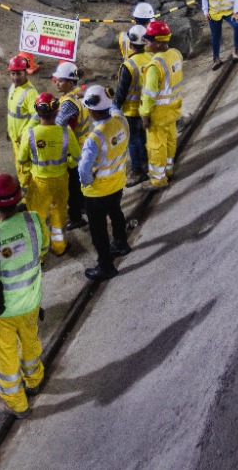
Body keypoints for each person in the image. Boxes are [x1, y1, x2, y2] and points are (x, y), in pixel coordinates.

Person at [0, 173, 48, 419]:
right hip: (31, 302)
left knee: (5, 356)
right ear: (19, 198)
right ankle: (34, 380)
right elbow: (43, 249)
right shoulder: (34, 222)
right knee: (30, 341)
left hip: (1, 312)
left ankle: (16, 403)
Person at [77, 85, 131, 281]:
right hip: (117, 183)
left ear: (91, 111)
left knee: (98, 230)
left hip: (97, 192)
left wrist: (87, 183)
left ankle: (105, 266)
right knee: (116, 212)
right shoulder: (121, 121)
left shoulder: (95, 138)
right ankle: (121, 243)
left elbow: (84, 170)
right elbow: (115, 108)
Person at [17, 94, 74, 255]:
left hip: (39, 182)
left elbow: (21, 160)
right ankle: (59, 246)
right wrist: (65, 163)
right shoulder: (66, 132)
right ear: (57, 111)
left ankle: (39, 254)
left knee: (37, 218)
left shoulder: (30, 134)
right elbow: (76, 158)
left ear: (37, 112)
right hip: (61, 181)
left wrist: (29, 174)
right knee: (58, 214)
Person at [139, 19, 185, 189]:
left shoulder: (154, 66)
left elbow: (149, 95)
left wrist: (144, 114)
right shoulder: (176, 55)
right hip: (174, 108)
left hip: (158, 113)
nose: (146, 42)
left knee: (156, 145)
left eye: (149, 40)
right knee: (171, 139)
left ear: (158, 43)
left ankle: (158, 179)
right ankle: (168, 169)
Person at [111, 25, 153, 186]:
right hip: (146, 108)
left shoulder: (128, 65)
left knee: (133, 141)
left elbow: (121, 93)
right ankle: (147, 164)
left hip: (131, 110)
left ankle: (137, 170)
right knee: (143, 137)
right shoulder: (151, 58)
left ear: (131, 43)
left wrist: (114, 108)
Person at [49, 62, 88, 229]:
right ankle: (83, 207)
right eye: (57, 80)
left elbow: (58, 125)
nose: (57, 83)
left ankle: (76, 217)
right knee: (77, 183)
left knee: (71, 187)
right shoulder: (77, 95)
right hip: (82, 144)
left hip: (73, 150)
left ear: (71, 82)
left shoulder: (69, 102)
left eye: (61, 80)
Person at [5, 56, 40, 195]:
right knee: (19, 167)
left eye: (19, 73)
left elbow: (36, 115)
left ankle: (27, 199)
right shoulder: (13, 88)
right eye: (13, 73)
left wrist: (25, 133)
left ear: (26, 72)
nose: (15, 77)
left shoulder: (30, 93)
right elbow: (12, 113)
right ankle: (23, 189)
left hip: (23, 140)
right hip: (15, 138)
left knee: (25, 168)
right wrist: (9, 130)